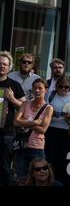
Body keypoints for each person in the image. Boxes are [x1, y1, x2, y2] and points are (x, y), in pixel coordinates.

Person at [13, 79, 53, 185]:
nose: (37, 90)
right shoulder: (25, 103)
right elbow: (16, 122)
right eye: (35, 88)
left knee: (40, 179)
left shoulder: (48, 108)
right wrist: (35, 122)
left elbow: (43, 130)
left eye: (40, 88)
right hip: (21, 146)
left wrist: (24, 121)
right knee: (21, 179)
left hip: (37, 147)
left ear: (46, 90)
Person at [45, 76, 70, 185]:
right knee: (51, 157)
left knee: (65, 158)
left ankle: (64, 182)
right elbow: (45, 109)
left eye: (67, 87)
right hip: (52, 130)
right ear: (57, 86)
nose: (64, 89)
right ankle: (50, 181)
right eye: (61, 87)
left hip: (67, 131)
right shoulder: (51, 95)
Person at [0, 51, 26, 186]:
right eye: (0, 64)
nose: (2, 66)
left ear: (10, 67)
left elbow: (24, 106)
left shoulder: (14, 85)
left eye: (4, 64)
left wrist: (12, 98)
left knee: (4, 167)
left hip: (7, 132)